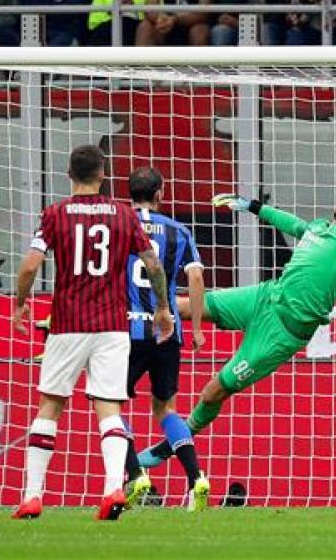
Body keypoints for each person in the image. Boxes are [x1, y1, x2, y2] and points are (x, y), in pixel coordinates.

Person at [136, 146, 336, 468]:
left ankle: (171, 446)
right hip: (265, 297)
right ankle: (130, 333)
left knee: (214, 391)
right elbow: (292, 225)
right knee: (182, 307)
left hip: (282, 332)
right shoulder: (319, 228)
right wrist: (251, 205)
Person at [10, 145, 173, 521]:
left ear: (69, 174)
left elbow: (31, 265)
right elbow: (152, 264)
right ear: (103, 174)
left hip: (67, 325)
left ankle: (33, 496)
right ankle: (113, 489)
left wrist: (20, 302)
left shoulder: (55, 214)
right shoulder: (124, 214)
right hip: (112, 327)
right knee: (109, 408)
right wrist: (162, 307)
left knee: (50, 405)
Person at [121, 167, 211, 512]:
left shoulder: (119, 225)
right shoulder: (178, 230)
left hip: (125, 331)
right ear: (160, 193)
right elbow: (196, 278)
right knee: (166, 409)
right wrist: (198, 328)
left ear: (129, 193)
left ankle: (135, 475)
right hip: (167, 331)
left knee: (110, 404)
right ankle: (196, 477)